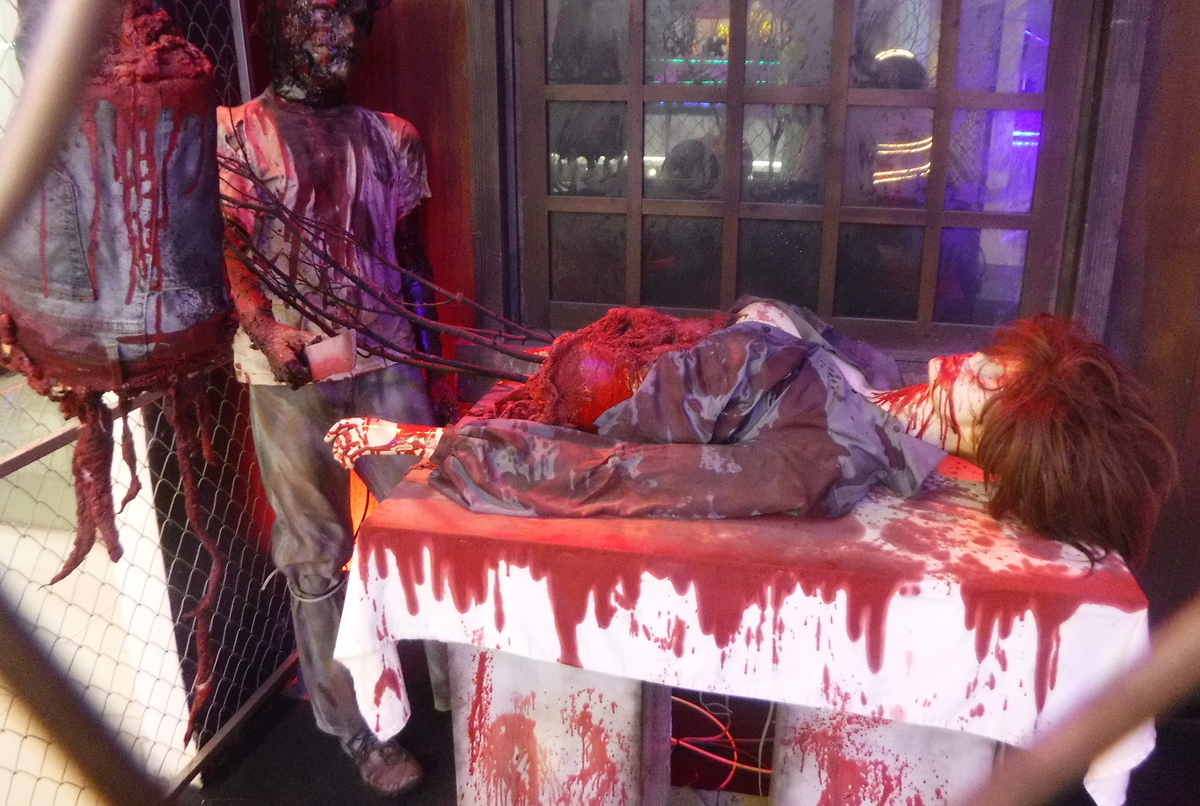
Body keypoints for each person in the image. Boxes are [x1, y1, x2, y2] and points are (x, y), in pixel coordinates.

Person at [327, 301, 1176, 568]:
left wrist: (438, 445)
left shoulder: (822, 463)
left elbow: (630, 476)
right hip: (588, 353)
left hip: (571, 400)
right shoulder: (878, 376)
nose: (976, 360)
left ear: (1004, 442)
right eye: (1002, 358)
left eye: (996, 384)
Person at [218, 0, 441, 795]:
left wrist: (429, 355)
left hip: (385, 354)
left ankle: (458, 689)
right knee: (315, 550)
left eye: (351, 14)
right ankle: (354, 731)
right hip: (290, 373)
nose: (340, 32)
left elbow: (410, 255)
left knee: (433, 524)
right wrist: (264, 326)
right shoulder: (233, 134)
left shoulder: (393, 137)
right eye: (318, 14)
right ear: (276, 26)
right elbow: (223, 247)